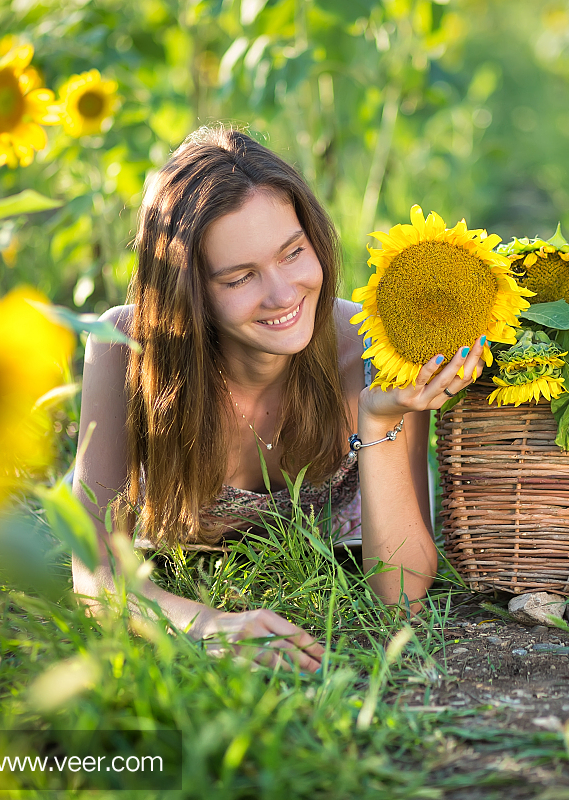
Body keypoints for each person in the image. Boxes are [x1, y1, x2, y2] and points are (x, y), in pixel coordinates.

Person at [71, 125, 487, 670]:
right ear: (187, 293)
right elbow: (91, 574)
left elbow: (401, 592)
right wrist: (206, 626)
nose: (283, 294)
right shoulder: (126, 347)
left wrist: (379, 416)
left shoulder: (373, 344)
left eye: (293, 253)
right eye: (240, 278)